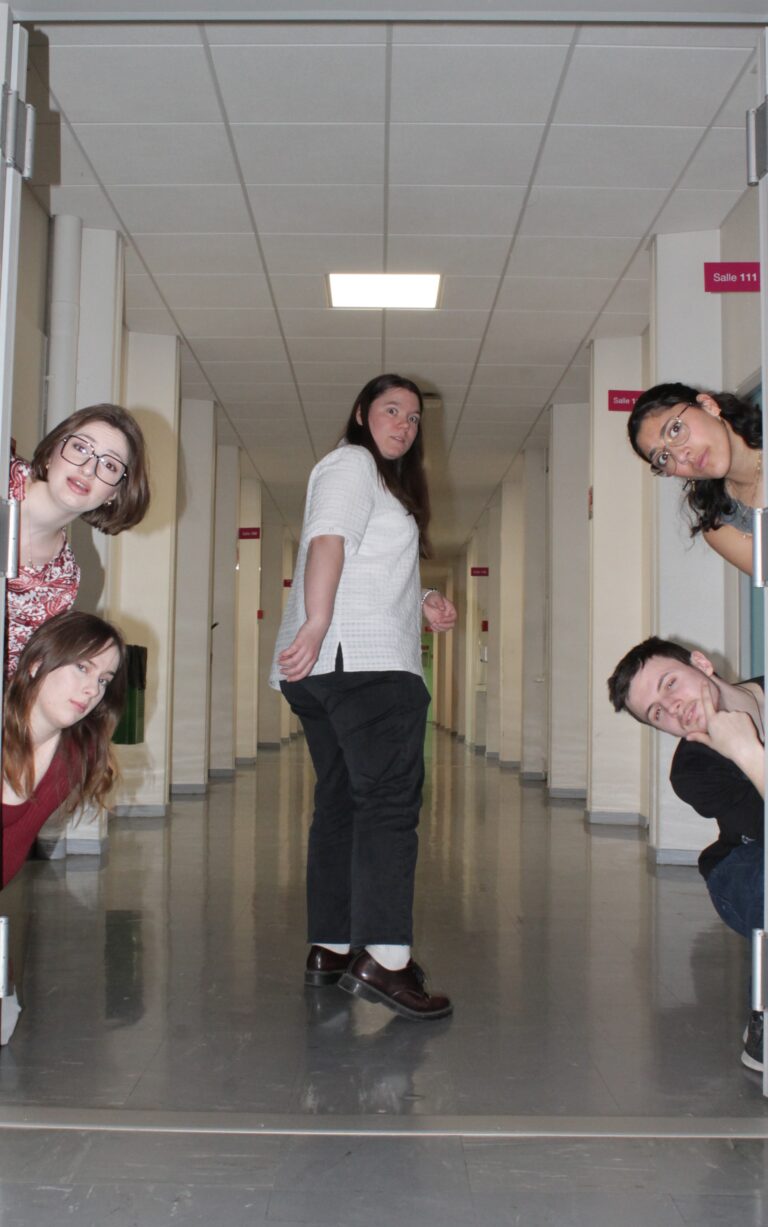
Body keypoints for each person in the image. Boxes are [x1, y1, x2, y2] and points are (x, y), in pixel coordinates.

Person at [270, 373, 457, 1021]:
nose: (403, 424)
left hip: (330, 668)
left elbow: (364, 563)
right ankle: (386, 961)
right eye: (390, 409)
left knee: (344, 805)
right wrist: (319, 622)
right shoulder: (351, 462)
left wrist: (422, 598)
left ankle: (329, 946)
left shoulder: (377, 483)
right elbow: (328, 541)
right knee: (387, 806)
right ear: (360, 413)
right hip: (366, 666)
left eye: (412, 417)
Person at [607, 635, 764, 1072]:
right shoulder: (694, 770)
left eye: (670, 684)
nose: (672, 707)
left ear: (700, 662)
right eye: (657, 713)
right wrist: (748, 755)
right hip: (744, 866)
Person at [6, 404, 150, 675]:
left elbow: (15, 671)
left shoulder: (63, 580)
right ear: (51, 452)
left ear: (115, 494)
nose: (88, 469)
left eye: (109, 464)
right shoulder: (4, 476)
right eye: (81, 448)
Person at [2, 609, 126, 889]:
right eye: (83, 668)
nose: (93, 690)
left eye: (103, 679)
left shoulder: (78, 755)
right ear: (37, 662)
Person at [627, 383, 762, 575]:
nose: (681, 456)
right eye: (663, 458)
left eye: (675, 430)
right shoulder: (722, 528)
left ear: (708, 406)